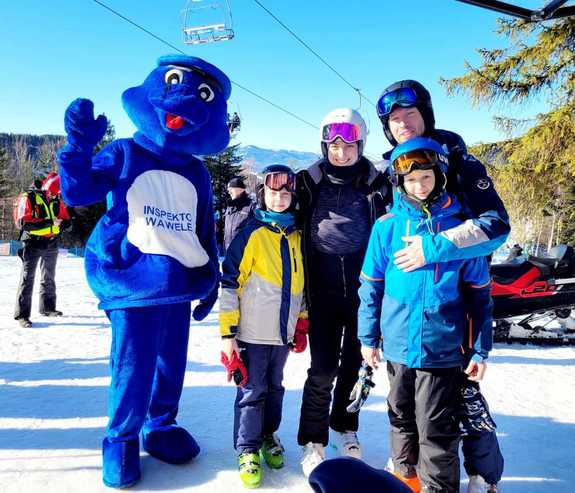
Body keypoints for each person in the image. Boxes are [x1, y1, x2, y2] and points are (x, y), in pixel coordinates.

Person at [377, 80, 505, 493]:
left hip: (461, 299)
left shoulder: (459, 163)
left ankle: (483, 476)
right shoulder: (393, 167)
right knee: (418, 409)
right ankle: (411, 472)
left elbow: (497, 226)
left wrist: (435, 247)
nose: (402, 124)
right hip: (412, 311)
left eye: (409, 115)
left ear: (426, 115)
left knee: (464, 402)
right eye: (393, 120)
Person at [358, 137, 494, 493]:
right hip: (398, 345)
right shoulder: (387, 227)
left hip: (440, 348)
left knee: (435, 429)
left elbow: (480, 298)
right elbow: (370, 286)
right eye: (411, 179)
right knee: (400, 418)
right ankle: (407, 481)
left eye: (426, 177)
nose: (419, 185)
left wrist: (481, 349)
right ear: (399, 181)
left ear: (440, 176)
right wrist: (367, 337)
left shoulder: (461, 230)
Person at [296, 108, 391, 476]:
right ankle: (313, 439)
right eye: (333, 145)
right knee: (322, 368)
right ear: (324, 145)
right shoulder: (308, 181)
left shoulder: (376, 183)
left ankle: (344, 427)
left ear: (360, 145)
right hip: (320, 287)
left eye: (348, 145)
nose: (340, 152)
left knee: (355, 363)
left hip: (362, 288)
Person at [219, 164, 308, 489]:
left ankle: (268, 434)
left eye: (286, 192)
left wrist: (300, 322)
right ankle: (247, 448)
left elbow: (301, 285)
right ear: (263, 195)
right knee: (251, 390)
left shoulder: (297, 233)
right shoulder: (252, 233)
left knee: (275, 388)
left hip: (281, 335)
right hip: (252, 334)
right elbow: (229, 284)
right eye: (273, 192)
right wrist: (228, 336)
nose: (280, 198)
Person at [13, 172, 70, 328]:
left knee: (49, 277)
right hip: (32, 243)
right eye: (54, 192)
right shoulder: (29, 198)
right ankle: (22, 316)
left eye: (57, 193)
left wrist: (62, 223)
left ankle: (48, 308)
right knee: (27, 279)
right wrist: (51, 222)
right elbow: (24, 223)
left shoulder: (56, 199)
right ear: (46, 188)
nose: (56, 195)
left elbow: (67, 221)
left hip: (51, 242)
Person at [223, 176, 255, 253]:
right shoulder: (229, 207)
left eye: (231, 190)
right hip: (228, 251)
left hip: (245, 253)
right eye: (228, 190)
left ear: (241, 190)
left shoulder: (251, 206)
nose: (229, 192)